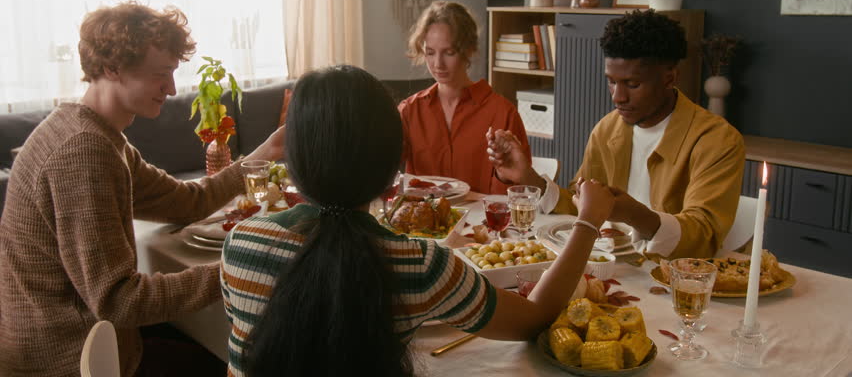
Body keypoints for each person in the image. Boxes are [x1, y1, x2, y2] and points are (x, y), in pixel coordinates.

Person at [220, 65, 614, 377]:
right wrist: (587, 223)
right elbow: (535, 319)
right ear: (392, 166)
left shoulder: (241, 244)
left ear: (292, 157)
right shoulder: (420, 265)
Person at [0, 1, 285, 377]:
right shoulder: (83, 151)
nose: (170, 88)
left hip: (97, 346)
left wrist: (266, 152)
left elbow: (186, 202)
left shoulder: (98, 134)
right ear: (111, 68)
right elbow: (119, 301)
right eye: (160, 75)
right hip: (72, 362)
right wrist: (244, 265)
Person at [487, 10, 745, 259]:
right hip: (612, 269)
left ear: (670, 78)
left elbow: (704, 236)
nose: (617, 96)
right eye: (611, 80)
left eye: (633, 84)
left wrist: (635, 215)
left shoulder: (716, 140)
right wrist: (529, 177)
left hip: (675, 283)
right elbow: (580, 205)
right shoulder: (608, 128)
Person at [398, 0, 531, 194]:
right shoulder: (410, 111)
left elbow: (523, 193)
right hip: (424, 222)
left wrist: (504, 176)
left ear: (469, 50)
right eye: (430, 53)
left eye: (449, 53)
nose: (438, 64)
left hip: (483, 222)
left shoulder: (503, 113)